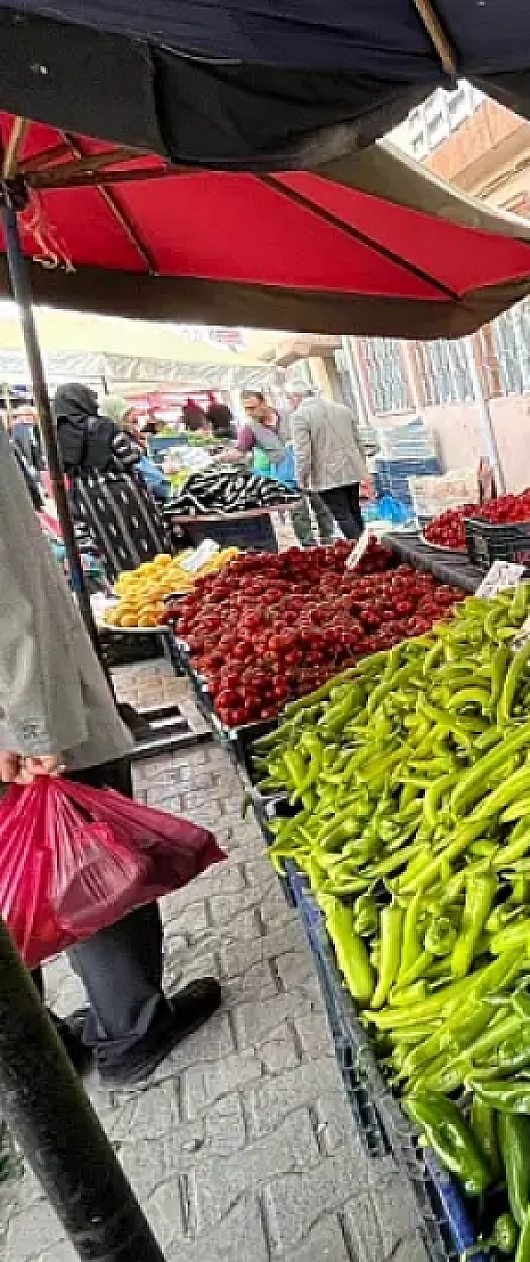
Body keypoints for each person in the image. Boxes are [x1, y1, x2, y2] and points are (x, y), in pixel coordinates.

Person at [0, 427, 221, 1084]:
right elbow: (5, 595)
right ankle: (132, 1029)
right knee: (90, 858)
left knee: (23, 874)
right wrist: (29, 727)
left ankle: (35, 1051)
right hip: (24, 718)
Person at [54, 384, 174, 575]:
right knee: (142, 539)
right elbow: (130, 457)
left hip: (88, 497)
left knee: (110, 544)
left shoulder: (56, 434)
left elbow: (59, 468)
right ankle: (159, 580)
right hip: (121, 493)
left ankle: (125, 586)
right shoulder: (102, 426)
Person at [229, 389, 336, 546]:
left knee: (323, 507)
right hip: (286, 477)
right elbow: (239, 451)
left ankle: (329, 542)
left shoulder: (292, 415)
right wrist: (221, 457)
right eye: (246, 409)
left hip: (310, 470)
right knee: (299, 514)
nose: (250, 413)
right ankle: (310, 548)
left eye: (253, 407)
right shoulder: (249, 429)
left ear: (264, 402)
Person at [289, 387, 368, 539]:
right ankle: (367, 547)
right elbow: (359, 442)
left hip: (326, 475)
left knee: (342, 515)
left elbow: (303, 452)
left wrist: (302, 478)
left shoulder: (299, 416)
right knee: (354, 512)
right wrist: (362, 469)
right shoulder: (343, 410)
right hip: (352, 470)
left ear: (295, 398)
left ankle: (360, 551)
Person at [100, 395, 169, 502]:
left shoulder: (125, 434)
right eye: (126, 414)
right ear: (115, 416)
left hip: (143, 490)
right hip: (138, 494)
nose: (131, 417)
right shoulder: (116, 439)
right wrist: (162, 471)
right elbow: (137, 466)